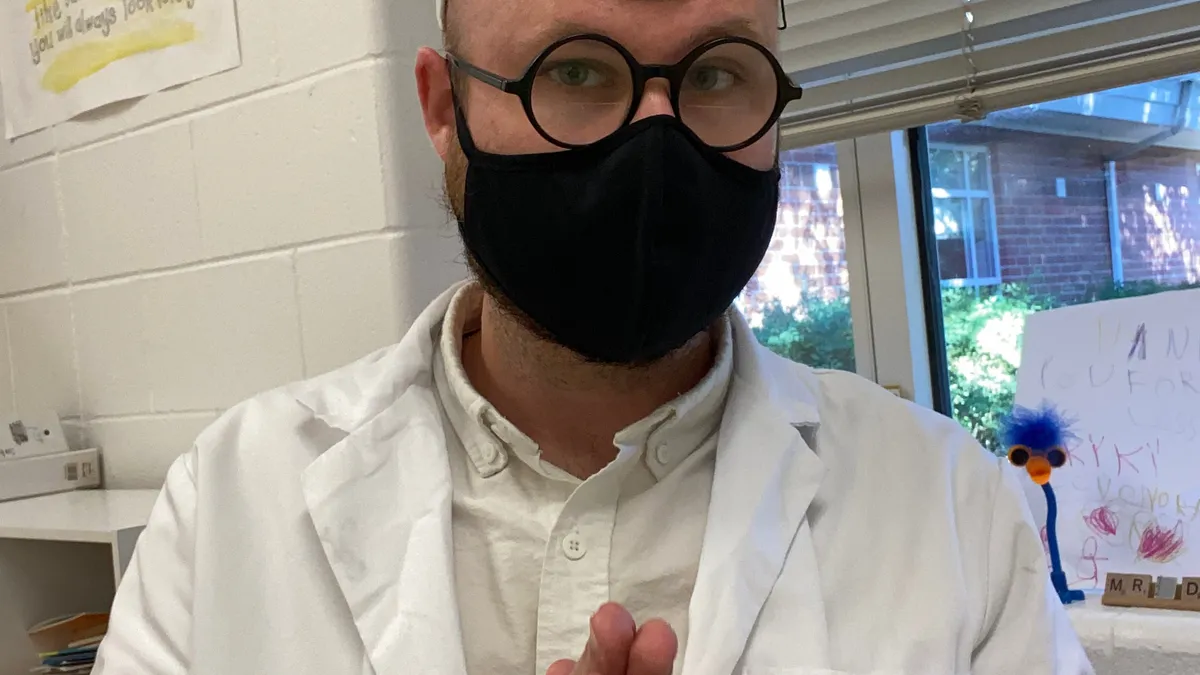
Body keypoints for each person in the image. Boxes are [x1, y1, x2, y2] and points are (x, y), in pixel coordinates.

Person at [94, 0, 1095, 672]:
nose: (652, 140)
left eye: (716, 74)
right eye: (575, 70)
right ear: (446, 110)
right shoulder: (230, 501)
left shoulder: (953, 510)